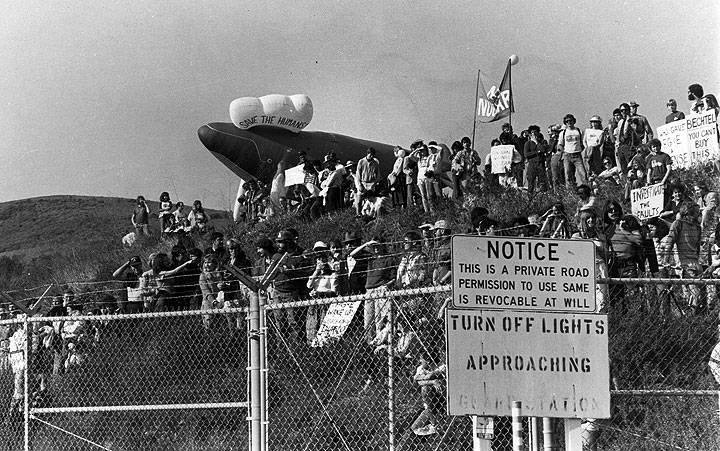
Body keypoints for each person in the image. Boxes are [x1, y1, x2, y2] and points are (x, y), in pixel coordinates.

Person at [267, 230, 311, 344]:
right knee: (279, 323)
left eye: (281, 242)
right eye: (278, 242)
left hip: (292, 292)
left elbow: (305, 273)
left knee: (294, 322)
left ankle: (297, 348)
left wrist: (290, 271)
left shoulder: (300, 254)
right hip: (277, 292)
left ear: (288, 242)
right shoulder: (277, 255)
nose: (278, 245)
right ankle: (281, 349)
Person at [666, 202, 702, 313]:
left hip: (695, 263)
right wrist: (666, 259)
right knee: (694, 293)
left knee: (695, 293)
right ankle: (690, 317)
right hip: (683, 264)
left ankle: (690, 317)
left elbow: (697, 247)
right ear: (688, 212)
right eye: (696, 211)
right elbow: (670, 241)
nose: (699, 213)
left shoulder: (697, 227)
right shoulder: (678, 224)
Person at [571, 209, 609, 311]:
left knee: (601, 300)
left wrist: (597, 247)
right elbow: (572, 255)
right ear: (583, 220)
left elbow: (606, 253)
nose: (591, 220)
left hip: (599, 267)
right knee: (584, 299)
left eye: (593, 218)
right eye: (588, 218)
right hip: (582, 269)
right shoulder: (576, 237)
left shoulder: (600, 235)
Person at [558, 114, 586, 187]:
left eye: (570, 121)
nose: (569, 122)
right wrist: (563, 152)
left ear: (574, 121)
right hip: (567, 155)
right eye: (567, 121)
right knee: (568, 176)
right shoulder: (563, 133)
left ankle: (587, 191)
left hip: (577, 155)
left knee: (583, 174)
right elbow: (560, 144)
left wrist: (580, 150)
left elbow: (583, 142)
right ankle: (570, 193)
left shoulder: (579, 131)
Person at [198, 255, 225, 330]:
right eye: (205, 262)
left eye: (209, 262)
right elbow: (206, 291)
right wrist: (214, 302)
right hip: (208, 303)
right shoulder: (203, 276)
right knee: (209, 325)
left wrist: (222, 286)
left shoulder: (219, 274)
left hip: (221, 301)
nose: (206, 265)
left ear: (214, 264)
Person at [354, 147, 380, 216]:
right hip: (363, 182)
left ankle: (371, 214)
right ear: (367, 154)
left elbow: (378, 175)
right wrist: (359, 184)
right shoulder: (361, 161)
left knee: (371, 200)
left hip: (371, 183)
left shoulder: (375, 163)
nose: (372, 156)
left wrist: (374, 184)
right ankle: (358, 214)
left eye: (373, 155)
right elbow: (358, 174)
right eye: (370, 155)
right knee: (359, 200)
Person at [523, 128, 545, 194]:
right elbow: (526, 154)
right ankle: (530, 197)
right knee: (531, 182)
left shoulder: (541, 142)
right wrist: (537, 152)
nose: (534, 136)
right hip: (532, 164)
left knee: (542, 182)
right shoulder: (528, 143)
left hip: (540, 164)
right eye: (532, 134)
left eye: (535, 134)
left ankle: (542, 196)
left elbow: (543, 150)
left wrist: (536, 142)